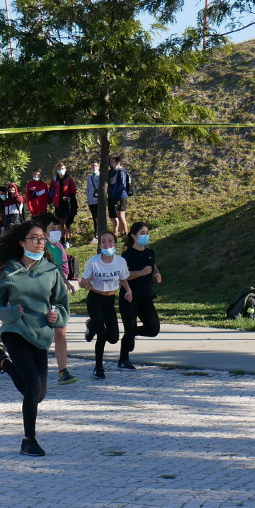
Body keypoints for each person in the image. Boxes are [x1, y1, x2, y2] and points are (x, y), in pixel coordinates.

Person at [0, 221, 70, 457]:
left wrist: (56, 315)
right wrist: (11, 313)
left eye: (42, 238)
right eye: (34, 238)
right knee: (32, 385)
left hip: (40, 334)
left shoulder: (51, 272)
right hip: (15, 331)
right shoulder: (10, 271)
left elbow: (63, 306)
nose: (40, 242)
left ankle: (2, 363)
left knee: (38, 394)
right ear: (22, 243)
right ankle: (29, 440)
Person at [79, 231, 132, 379]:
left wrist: (128, 290)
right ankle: (98, 367)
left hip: (110, 301)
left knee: (113, 337)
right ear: (100, 244)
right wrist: (85, 281)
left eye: (110, 241)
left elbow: (123, 278)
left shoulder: (120, 261)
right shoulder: (94, 261)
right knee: (101, 335)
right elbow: (83, 282)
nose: (107, 244)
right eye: (103, 241)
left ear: (115, 244)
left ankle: (91, 325)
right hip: (95, 299)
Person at [118, 222, 161, 370]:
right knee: (129, 327)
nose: (145, 236)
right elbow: (123, 276)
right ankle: (123, 359)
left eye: (147, 232)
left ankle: (131, 334)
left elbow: (152, 266)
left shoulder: (150, 252)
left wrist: (156, 273)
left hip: (146, 296)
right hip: (129, 296)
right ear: (134, 236)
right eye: (142, 233)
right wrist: (141, 272)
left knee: (153, 328)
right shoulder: (127, 255)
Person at [42, 214, 78, 385]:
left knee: (60, 333)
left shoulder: (59, 248)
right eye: (52, 229)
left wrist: (66, 283)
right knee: (39, 334)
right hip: (41, 295)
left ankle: (62, 371)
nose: (56, 232)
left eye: (58, 229)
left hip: (58, 294)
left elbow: (62, 269)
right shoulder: (39, 249)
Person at [49, 163, 78, 245]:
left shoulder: (69, 179)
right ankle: (62, 240)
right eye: (59, 169)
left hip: (67, 204)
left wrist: (68, 197)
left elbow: (73, 191)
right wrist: (50, 202)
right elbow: (51, 191)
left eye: (62, 168)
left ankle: (68, 240)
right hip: (58, 204)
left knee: (67, 223)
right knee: (60, 223)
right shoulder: (54, 180)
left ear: (65, 169)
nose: (60, 170)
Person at [107, 155, 131, 237]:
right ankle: (122, 232)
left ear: (118, 163)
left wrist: (115, 192)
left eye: (113, 162)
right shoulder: (115, 172)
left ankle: (126, 232)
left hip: (121, 196)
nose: (112, 164)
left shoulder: (122, 172)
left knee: (121, 215)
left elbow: (122, 184)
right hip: (117, 196)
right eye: (111, 162)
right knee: (118, 215)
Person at [85, 160, 101, 233]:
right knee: (94, 218)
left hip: (98, 201)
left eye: (95, 165)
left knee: (99, 217)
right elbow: (88, 189)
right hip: (91, 201)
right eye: (92, 166)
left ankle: (99, 232)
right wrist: (88, 200)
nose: (94, 167)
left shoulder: (100, 176)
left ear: (98, 166)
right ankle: (96, 233)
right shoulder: (89, 177)